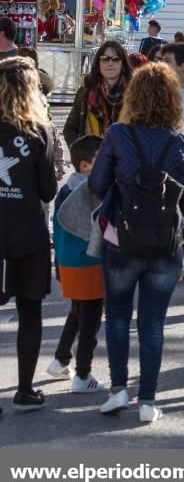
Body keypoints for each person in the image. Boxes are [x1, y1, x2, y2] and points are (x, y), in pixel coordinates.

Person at [89, 63, 184, 423]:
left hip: (122, 237)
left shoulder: (118, 134)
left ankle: (118, 389)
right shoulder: (181, 141)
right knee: (152, 323)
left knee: (118, 317)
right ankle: (149, 402)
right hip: (166, 241)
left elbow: (96, 185)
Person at [0, 57, 58, 413]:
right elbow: (48, 190)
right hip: (28, 233)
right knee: (30, 311)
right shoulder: (39, 131)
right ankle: (24, 388)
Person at [47, 135, 105, 394]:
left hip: (67, 262)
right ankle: (83, 375)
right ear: (85, 165)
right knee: (91, 319)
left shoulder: (66, 189)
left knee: (78, 313)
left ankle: (60, 360)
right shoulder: (92, 190)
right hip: (89, 261)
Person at [63, 41, 131, 146]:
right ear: (98, 63)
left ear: (123, 64)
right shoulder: (85, 91)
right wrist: (81, 155)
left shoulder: (134, 94)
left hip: (126, 159)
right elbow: (70, 129)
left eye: (116, 59)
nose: (110, 63)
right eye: (105, 58)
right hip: (94, 158)